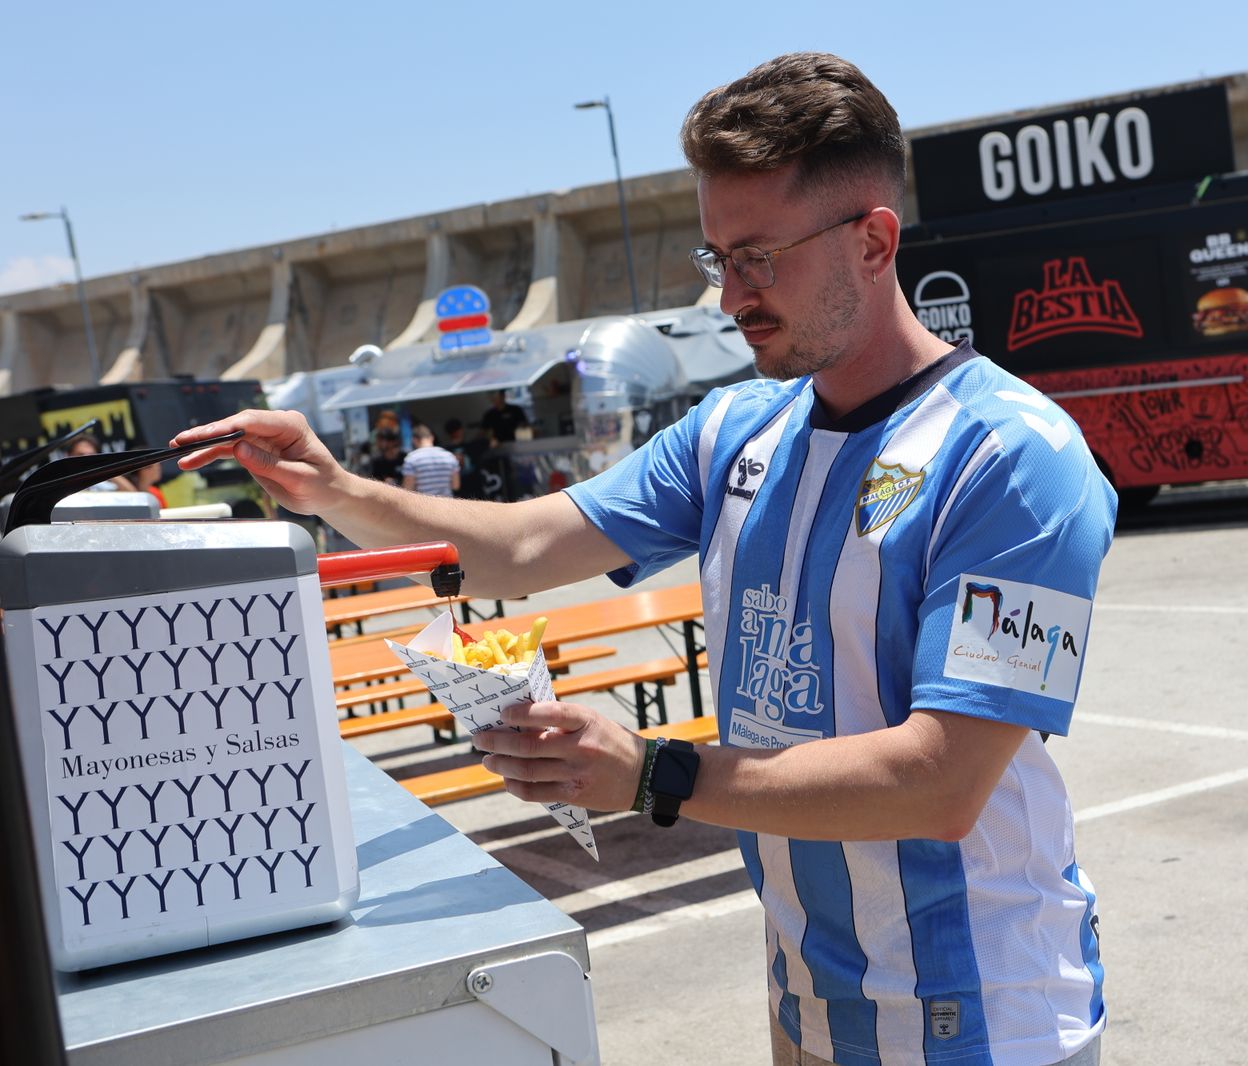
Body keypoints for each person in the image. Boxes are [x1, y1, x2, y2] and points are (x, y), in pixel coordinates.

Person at [175, 52, 1113, 1066]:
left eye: (758, 258)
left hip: (985, 1016)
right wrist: (336, 491)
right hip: (807, 998)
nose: (729, 299)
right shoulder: (734, 431)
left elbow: (940, 782)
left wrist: (652, 771)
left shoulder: (1017, 457)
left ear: (873, 241)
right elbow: (530, 545)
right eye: (718, 259)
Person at [399, 424, 460, 497]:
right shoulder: (449, 456)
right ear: (432, 437)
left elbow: (408, 489)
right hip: (447, 504)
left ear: (414, 440)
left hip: (424, 506)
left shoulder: (412, 459)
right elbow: (456, 486)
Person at [67, 434, 136, 491]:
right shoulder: (62, 481)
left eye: (91, 455)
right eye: (81, 455)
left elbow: (132, 494)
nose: (86, 459)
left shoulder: (102, 484)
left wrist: (105, 469)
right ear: (69, 456)